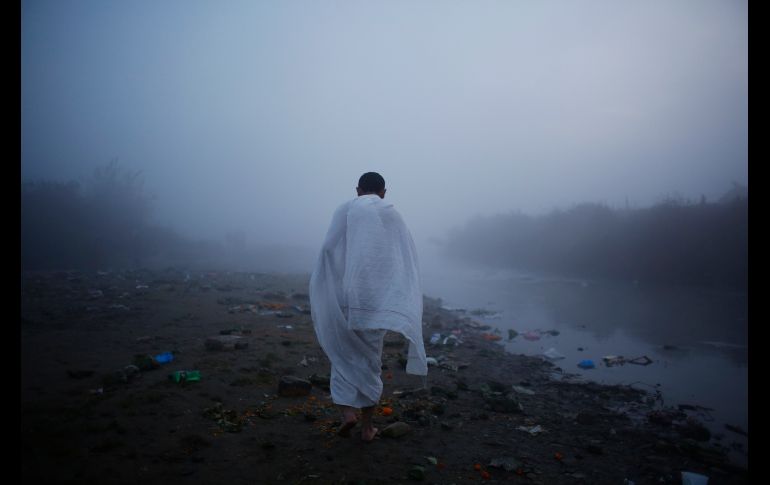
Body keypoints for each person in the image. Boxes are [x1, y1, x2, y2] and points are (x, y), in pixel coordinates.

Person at [309, 172, 428, 442]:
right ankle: (366, 428)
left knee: (342, 358)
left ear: (358, 190)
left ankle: (347, 414)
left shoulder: (348, 208)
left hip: (346, 298)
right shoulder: (394, 216)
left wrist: (332, 281)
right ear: (384, 192)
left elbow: (329, 248)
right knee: (370, 362)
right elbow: (405, 258)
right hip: (377, 302)